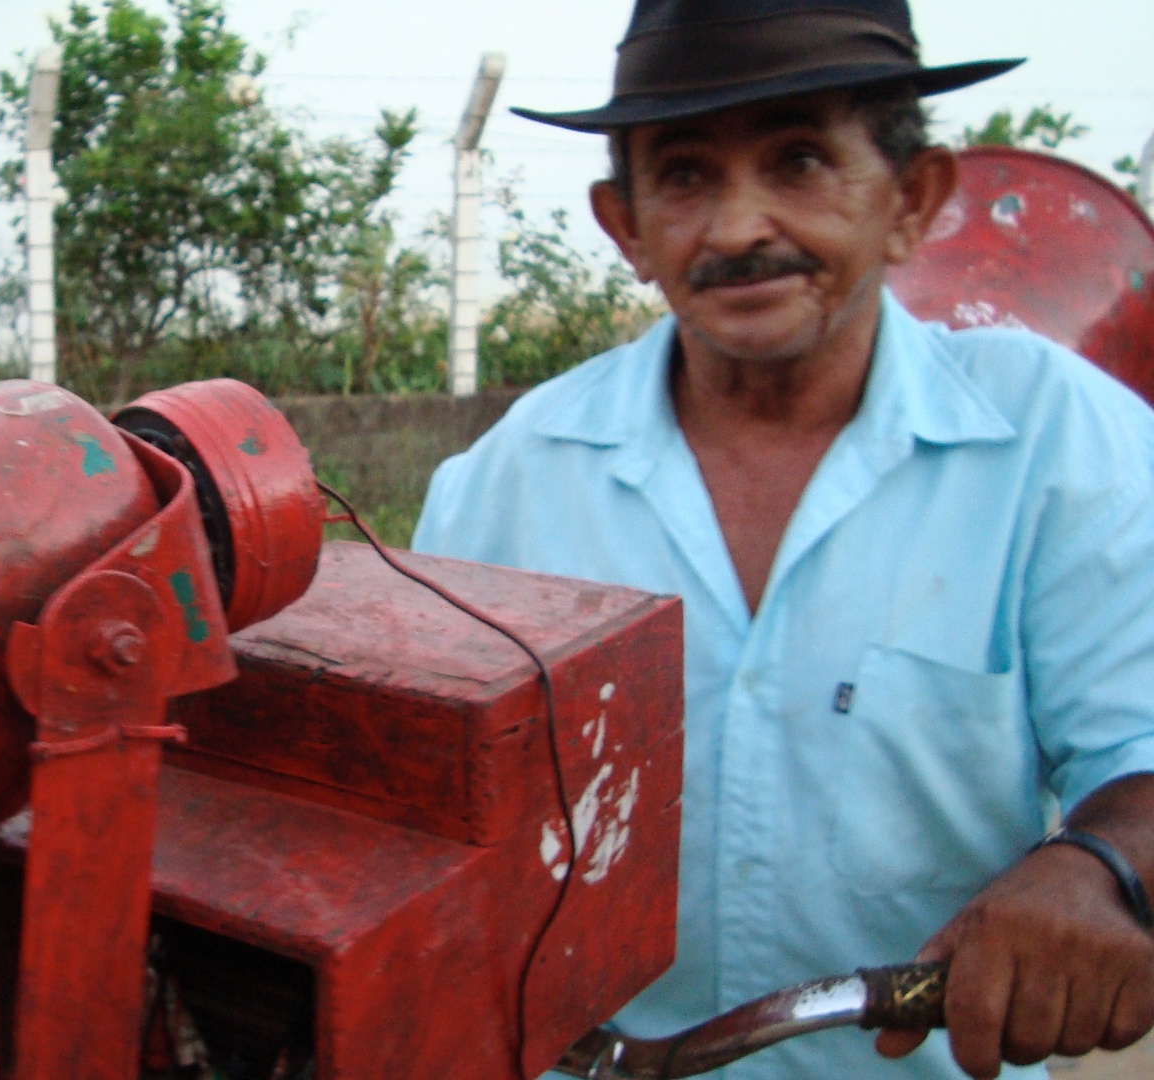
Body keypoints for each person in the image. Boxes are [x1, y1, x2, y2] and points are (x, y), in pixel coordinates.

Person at [411, 2, 1154, 1077]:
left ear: (913, 202)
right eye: (684, 174)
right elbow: (426, 816)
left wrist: (1098, 870)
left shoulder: (1058, 443)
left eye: (800, 159)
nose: (737, 228)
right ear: (625, 225)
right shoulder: (506, 485)